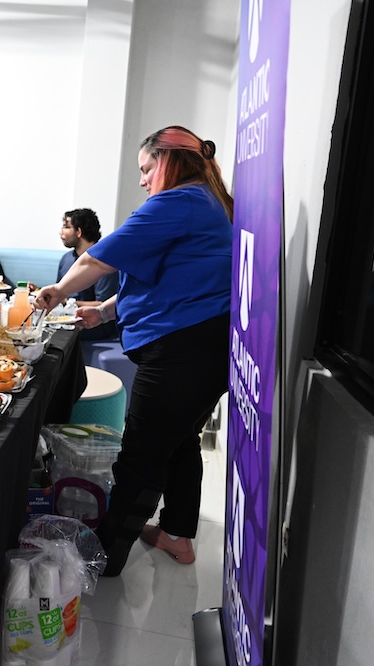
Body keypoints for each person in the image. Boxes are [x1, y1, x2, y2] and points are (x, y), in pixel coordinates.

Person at [36, 125, 232, 576]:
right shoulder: (209, 203)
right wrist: (102, 313)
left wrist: (60, 291)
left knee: (141, 454)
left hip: (182, 352)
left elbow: (98, 258)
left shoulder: (180, 201)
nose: (143, 180)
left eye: (146, 169)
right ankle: (177, 535)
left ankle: (103, 557)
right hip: (202, 349)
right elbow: (165, 280)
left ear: (168, 161)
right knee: (180, 443)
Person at [58, 208, 119, 340]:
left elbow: (102, 305)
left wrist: (66, 302)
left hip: (97, 323)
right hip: (68, 316)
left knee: (58, 334)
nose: (60, 232)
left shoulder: (104, 262)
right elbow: (60, 291)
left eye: (66, 227)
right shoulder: (66, 259)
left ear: (79, 232)